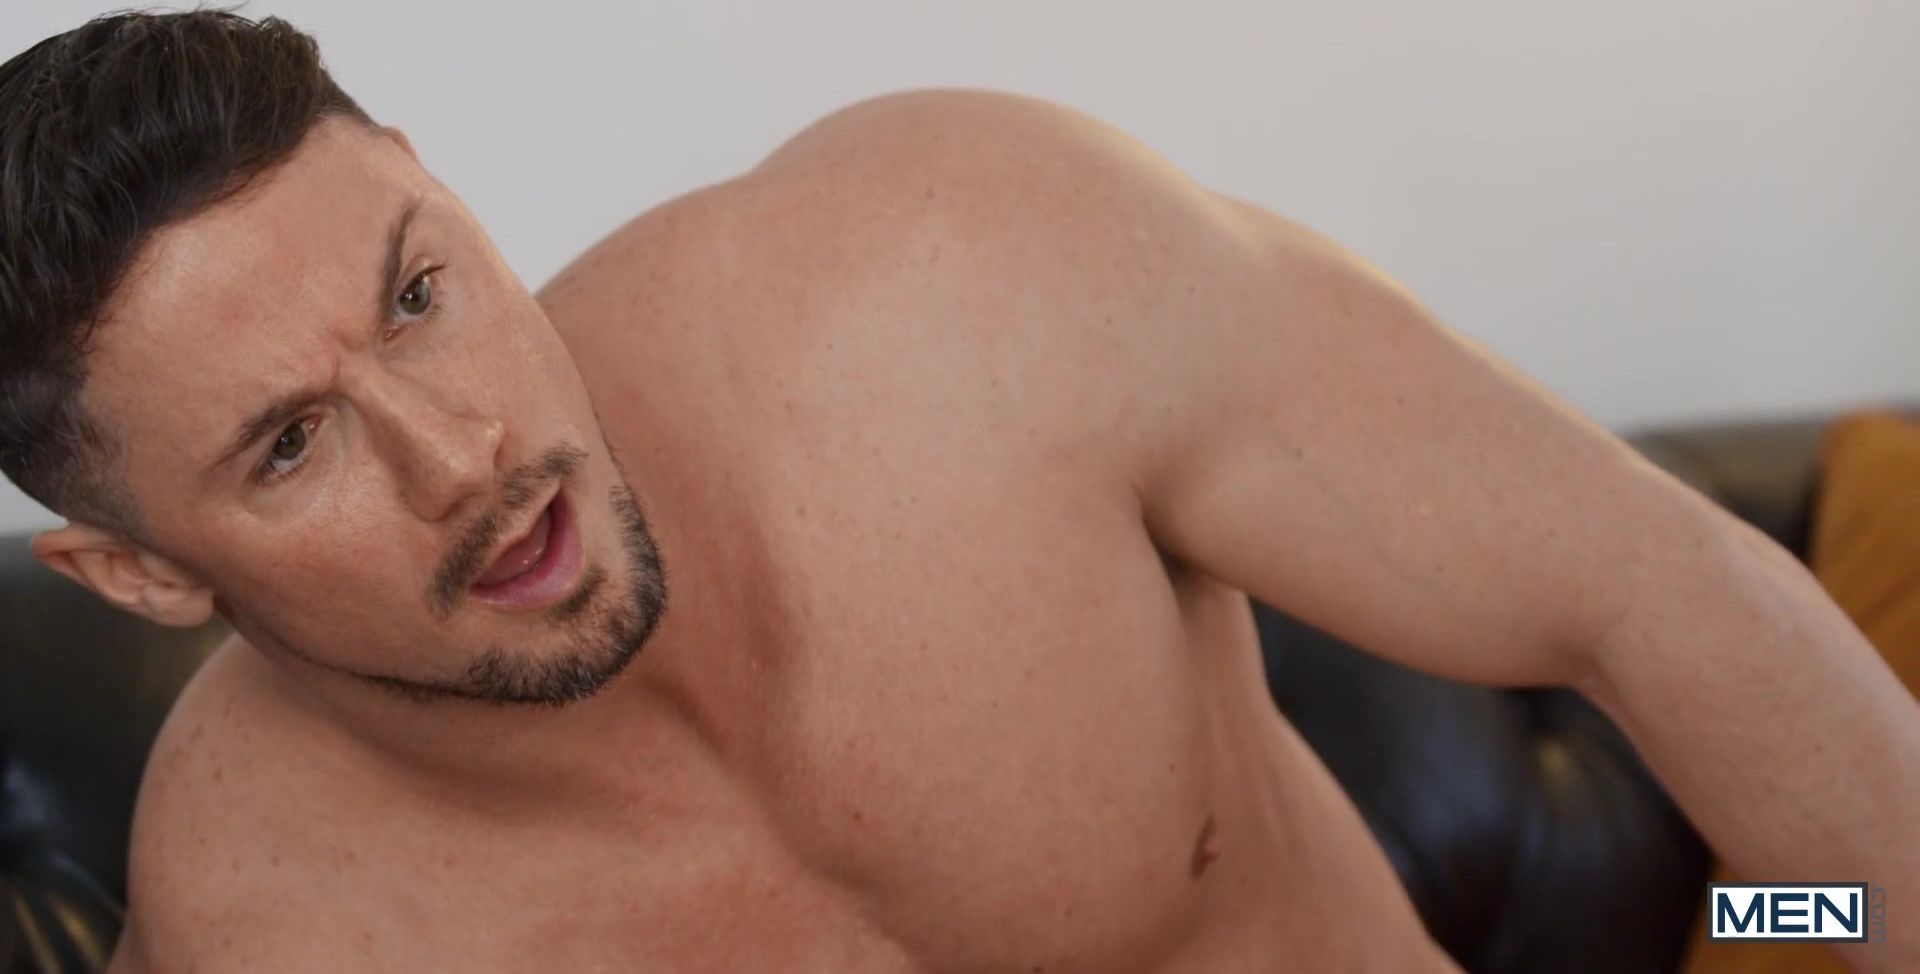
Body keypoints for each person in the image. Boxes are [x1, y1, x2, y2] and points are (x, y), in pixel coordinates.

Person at [1, 10, 1913, 973]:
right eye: (291, 443)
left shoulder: (947, 283)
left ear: (438, 182)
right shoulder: (274, 919)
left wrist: (1805, 929)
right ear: (138, 572)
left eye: (421, 291)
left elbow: (1659, 594)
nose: (466, 456)